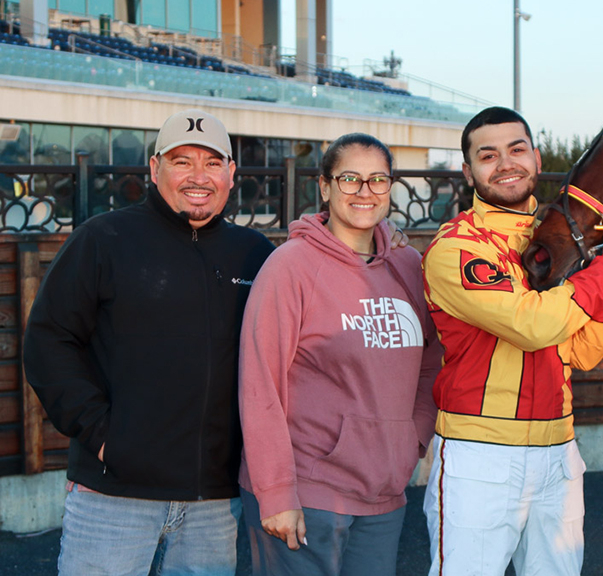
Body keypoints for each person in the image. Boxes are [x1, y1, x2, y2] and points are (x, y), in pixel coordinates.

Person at [22, 109, 276, 575]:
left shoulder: (255, 252)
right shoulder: (103, 238)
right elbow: (48, 341)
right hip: (113, 495)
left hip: (214, 504)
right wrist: (103, 437)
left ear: (231, 174)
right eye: (182, 161)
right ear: (155, 167)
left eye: (212, 162)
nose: (198, 177)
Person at [420, 106, 603, 576]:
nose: (506, 163)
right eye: (488, 155)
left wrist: (600, 274)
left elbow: (584, 352)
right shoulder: (455, 247)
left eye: (516, 149)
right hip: (480, 456)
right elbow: (531, 326)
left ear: (537, 159)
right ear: (468, 172)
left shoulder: (561, 239)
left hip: (559, 451)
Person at [236, 133, 441, 575]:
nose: (364, 192)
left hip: (384, 493)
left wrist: (414, 438)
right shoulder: (291, 266)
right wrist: (274, 492)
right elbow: (259, 384)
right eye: (350, 179)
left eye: (377, 180)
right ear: (325, 188)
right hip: (309, 491)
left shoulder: (407, 266)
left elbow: (431, 360)